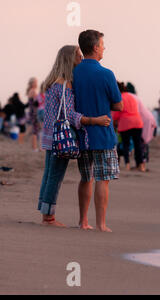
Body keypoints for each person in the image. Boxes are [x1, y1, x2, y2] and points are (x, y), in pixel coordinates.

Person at [37, 45, 111, 227]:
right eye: (78, 56)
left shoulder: (54, 83)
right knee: (55, 176)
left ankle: (45, 212)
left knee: (49, 174)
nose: (81, 59)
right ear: (70, 59)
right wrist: (94, 120)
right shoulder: (66, 85)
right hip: (61, 137)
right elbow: (69, 115)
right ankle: (48, 218)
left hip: (50, 135)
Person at [73, 30, 124, 232]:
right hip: (102, 133)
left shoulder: (74, 72)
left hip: (81, 133)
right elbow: (119, 106)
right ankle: (101, 224)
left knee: (86, 177)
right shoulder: (106, 73)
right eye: (102, 44)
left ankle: (83, 221)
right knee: (103, 179)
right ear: (95, 47)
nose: (104, 48)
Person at [112, 82, 145, 172]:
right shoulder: (132, 96)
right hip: (137, 122)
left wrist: (114, 121)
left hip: (125, 123)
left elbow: (116, 114)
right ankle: (141, 165)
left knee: (125, 144)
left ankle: (127, 165)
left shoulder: (119, 98)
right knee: (137, 145)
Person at [27, 77, 41, 152]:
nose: (36, 84)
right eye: (35, 82)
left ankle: (34, 147)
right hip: (34, 113)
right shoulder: (33, 91)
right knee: (35, 130)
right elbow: (37, 102)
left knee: (34, 130)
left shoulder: (30, 91)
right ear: (32, 83)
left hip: (32, 112)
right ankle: (35, 148)